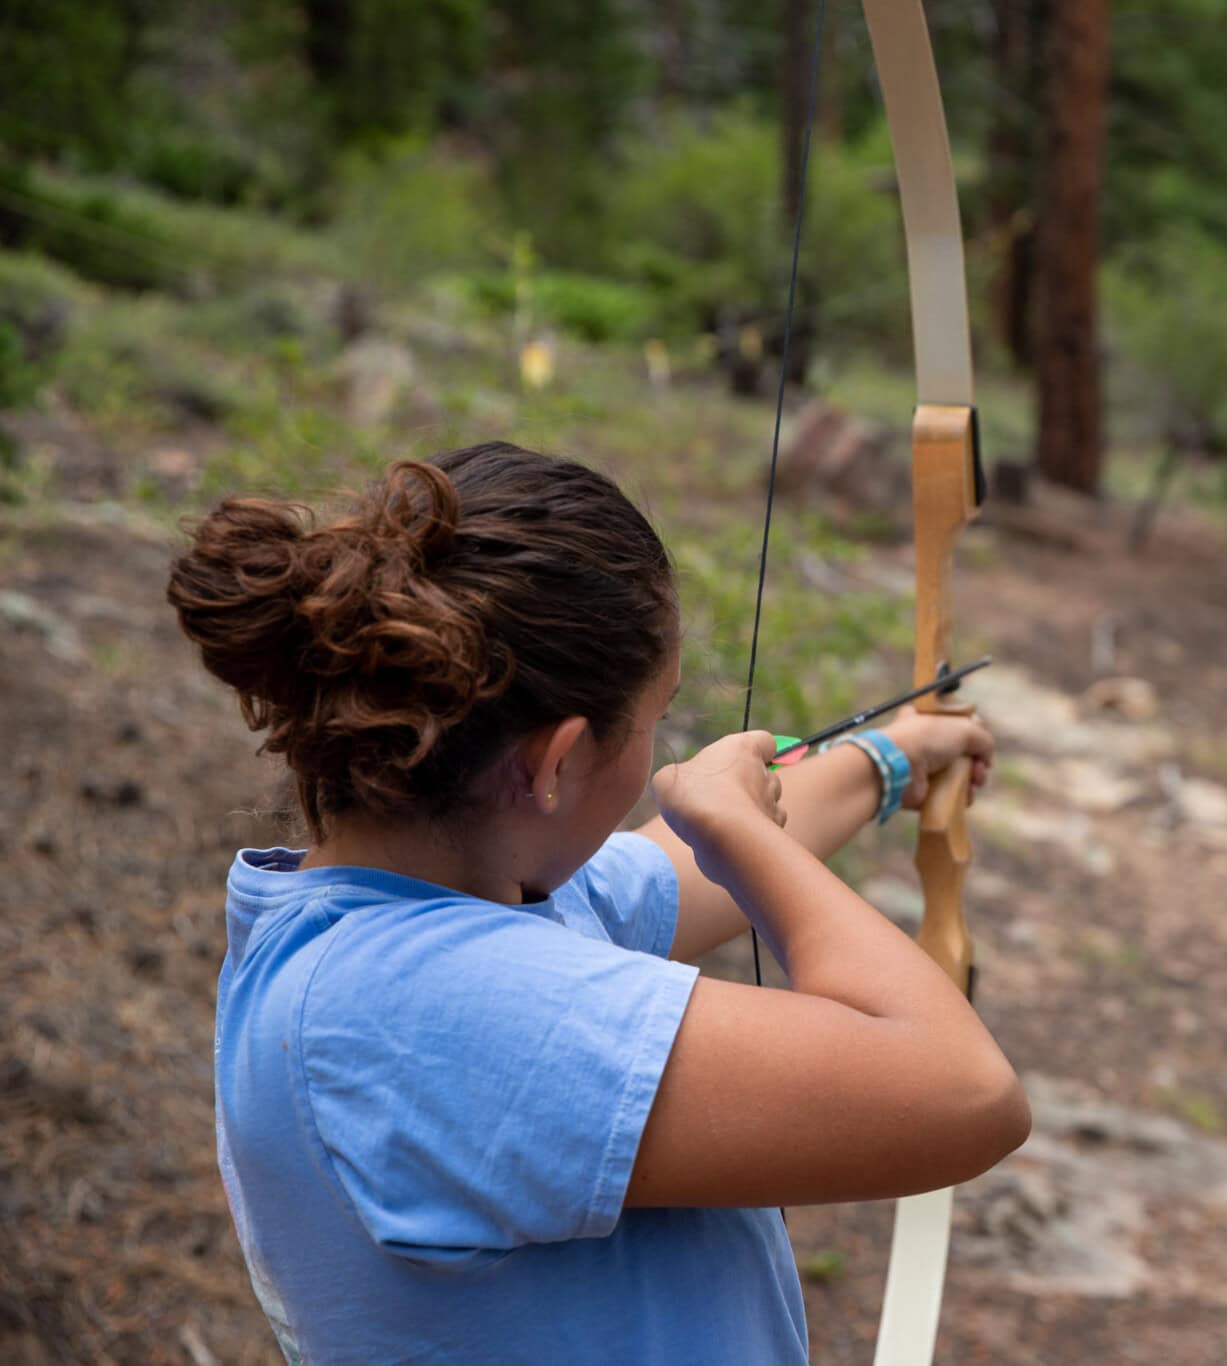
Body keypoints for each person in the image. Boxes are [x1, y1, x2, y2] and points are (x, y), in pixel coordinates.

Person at [166, 441, 1028, 1363]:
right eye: (654, 721)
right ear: (556, 761)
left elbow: (670, 871)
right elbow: (966, 1093)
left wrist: (894, 755)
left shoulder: (436, 906)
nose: (655, 760)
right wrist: (740, 830)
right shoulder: (428, 1014)